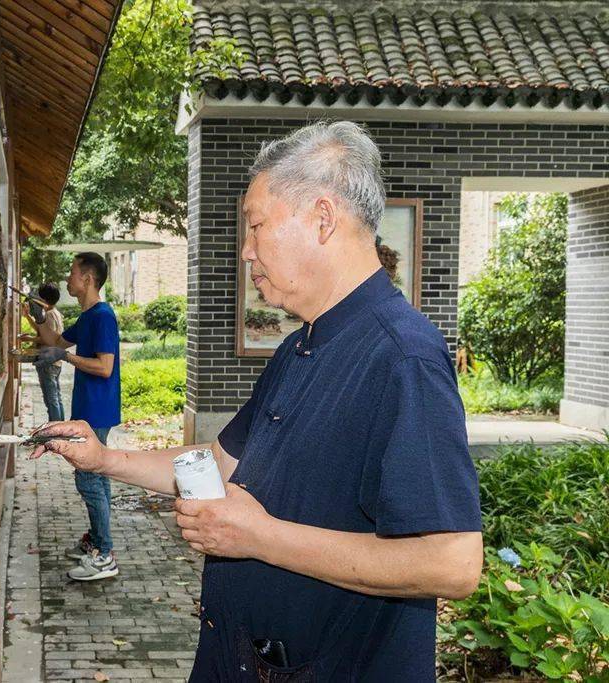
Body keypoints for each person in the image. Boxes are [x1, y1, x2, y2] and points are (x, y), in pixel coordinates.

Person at [30, 122, 483, 679]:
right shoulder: (300, 345)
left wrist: (261, 537)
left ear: (322, 218)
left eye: (256, 225)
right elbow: (218, 463)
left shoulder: (403, 357)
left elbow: (453, 561)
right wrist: (103, 458)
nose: (246, 251)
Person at [30, 252, 122, 582]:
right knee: (98, 477)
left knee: (88, 478)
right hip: (89, 407)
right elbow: (54, 341)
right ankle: (98, 542)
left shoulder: (102, 317)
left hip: (97, 409)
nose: (67, 280)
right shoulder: (87, 317)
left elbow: (104, 366)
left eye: (72, 273)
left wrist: (66, 357)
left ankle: (105, 555)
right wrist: (38, 318)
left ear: (87, 279)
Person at [21, 283, 65, 422]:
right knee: (55, 397)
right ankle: (59, 427)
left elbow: (49, 339)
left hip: (48, 360)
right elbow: (42, 330)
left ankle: (56, 430)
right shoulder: (54, 312)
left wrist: (30, 338)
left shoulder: (51, 315)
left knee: (51, 399)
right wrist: (28, 316)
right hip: (54, 361)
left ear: (44, 299)